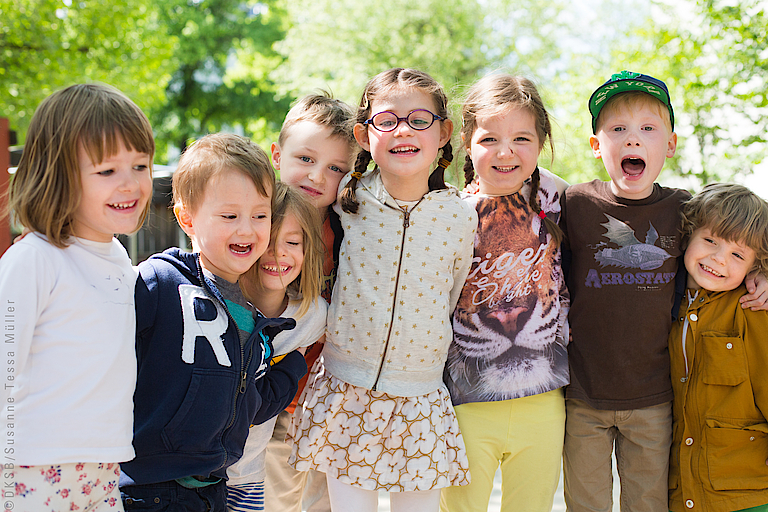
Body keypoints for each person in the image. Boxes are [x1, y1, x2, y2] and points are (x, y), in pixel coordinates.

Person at [560, 71, 768, 512]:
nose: (633, 139)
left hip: (655, 398)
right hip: (583, 393)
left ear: (670, 145)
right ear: (596, 145)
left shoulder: (682, 208)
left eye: (648, 129)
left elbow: (732, 243)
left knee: (648, 504)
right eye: (618, 129)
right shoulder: (575, 203)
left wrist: (763, 273)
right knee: (586, 503)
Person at [286, 67, 478, 512]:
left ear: (443, 133)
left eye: (419, 120)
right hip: (346, 389)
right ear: (364, 135)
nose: (403, 131)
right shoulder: (348, 197)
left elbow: (451, 293)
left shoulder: (459, 216)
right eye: (387, 121)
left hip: (420, 396)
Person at [119, 133, 307, 512]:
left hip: (213, 490)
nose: (246, 229)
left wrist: (294, 368)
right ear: (187, 218)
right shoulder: (160, 282)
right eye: (229, 216)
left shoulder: (251, 318)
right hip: (152, 488)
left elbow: (250, 403)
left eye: (259, 215)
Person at [0, 83, 154, 511]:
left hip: (104, 468)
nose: (130, 183)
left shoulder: (118, 258)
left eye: (140, 165)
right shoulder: (34, 260)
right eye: (107, 171)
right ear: (59, 175)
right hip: (31, 468)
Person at [440, 73, 570, 512]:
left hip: (544, 400)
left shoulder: (558, 196)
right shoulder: (448, 210)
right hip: (465, 399)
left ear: (541, 141)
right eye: (489, 139)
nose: (505, 152)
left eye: (521, 138)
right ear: (466, 141)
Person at [262, 92, 356, 512]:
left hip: (333, 399)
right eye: (305, 159)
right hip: (273, 400)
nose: (318, 176)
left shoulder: (351, 230)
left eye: (336, 168)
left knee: (325, 503)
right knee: (274, 500)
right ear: (277, 155)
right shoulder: (256, 220)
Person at [226, 183, 327, 512]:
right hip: (201, 469)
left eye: (292, 243)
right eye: (268, 240)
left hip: (250, 475)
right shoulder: (220, 305)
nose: (278, 253)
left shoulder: (313, 316)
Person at [669, 183, 768, 512]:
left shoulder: (751, 308)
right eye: (710, 240)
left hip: (746, 489)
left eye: (737, 255)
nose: (718, 258)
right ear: (688, 235)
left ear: (755, 266)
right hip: (680, 487)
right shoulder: (662, 300)